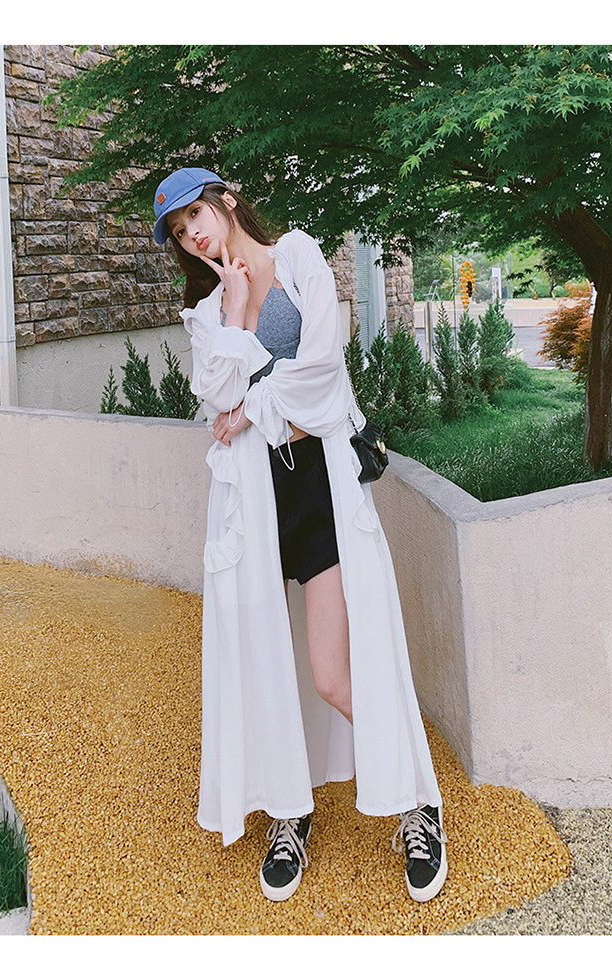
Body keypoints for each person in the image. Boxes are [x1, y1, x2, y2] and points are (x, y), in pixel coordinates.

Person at [152, 167, 448, 903]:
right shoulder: (208, 311)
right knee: (264, 670)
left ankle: (416, 800)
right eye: (180, 233)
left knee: (331, 675)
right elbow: (215, 398)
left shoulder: (299, 256)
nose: (192, 236)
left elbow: (323, 373)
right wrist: (237, 315)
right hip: (252, 506)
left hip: (319, 492)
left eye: (195, 216)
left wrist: (252, 409)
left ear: (225, 201)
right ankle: (291, 811)